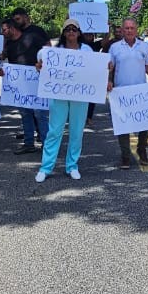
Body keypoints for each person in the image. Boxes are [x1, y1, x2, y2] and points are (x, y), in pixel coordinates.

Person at [106, 17, 148, 168]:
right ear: (122, 29)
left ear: (136, 29)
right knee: (123, 127)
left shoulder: (144, 46)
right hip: (121, 93)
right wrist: (108, 81)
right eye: (126, 28)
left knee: (145, 125)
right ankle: (125, 156)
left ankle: (142, 150)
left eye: (132, 28)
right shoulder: (114, 48)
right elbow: (109, 68)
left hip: (141, 93)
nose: (129, 30)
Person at [35, 19, 90, 181]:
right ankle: (46, 167)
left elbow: (95, 69)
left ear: (79, 33)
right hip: (58, 95)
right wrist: (39, 67)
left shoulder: (87, 50)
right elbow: (42, 64)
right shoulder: (54, 51)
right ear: (63, 33)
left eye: (74, 29)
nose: (71, 32)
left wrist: (107, 68)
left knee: (76, 131)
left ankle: (72, 165)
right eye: (68, 29)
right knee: (54, 131)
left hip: (80, 96)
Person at [5, 8, 51, 154]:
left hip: (37, 80)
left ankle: (47, 145)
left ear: (26, 17)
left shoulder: (36, 32)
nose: (16, 22)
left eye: (18, 19)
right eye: (14, 20)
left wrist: (43, 64)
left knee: (40, 114)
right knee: (25, 114)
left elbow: (49, 50)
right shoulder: (11, 42)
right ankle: (28, 143)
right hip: (21, 84)